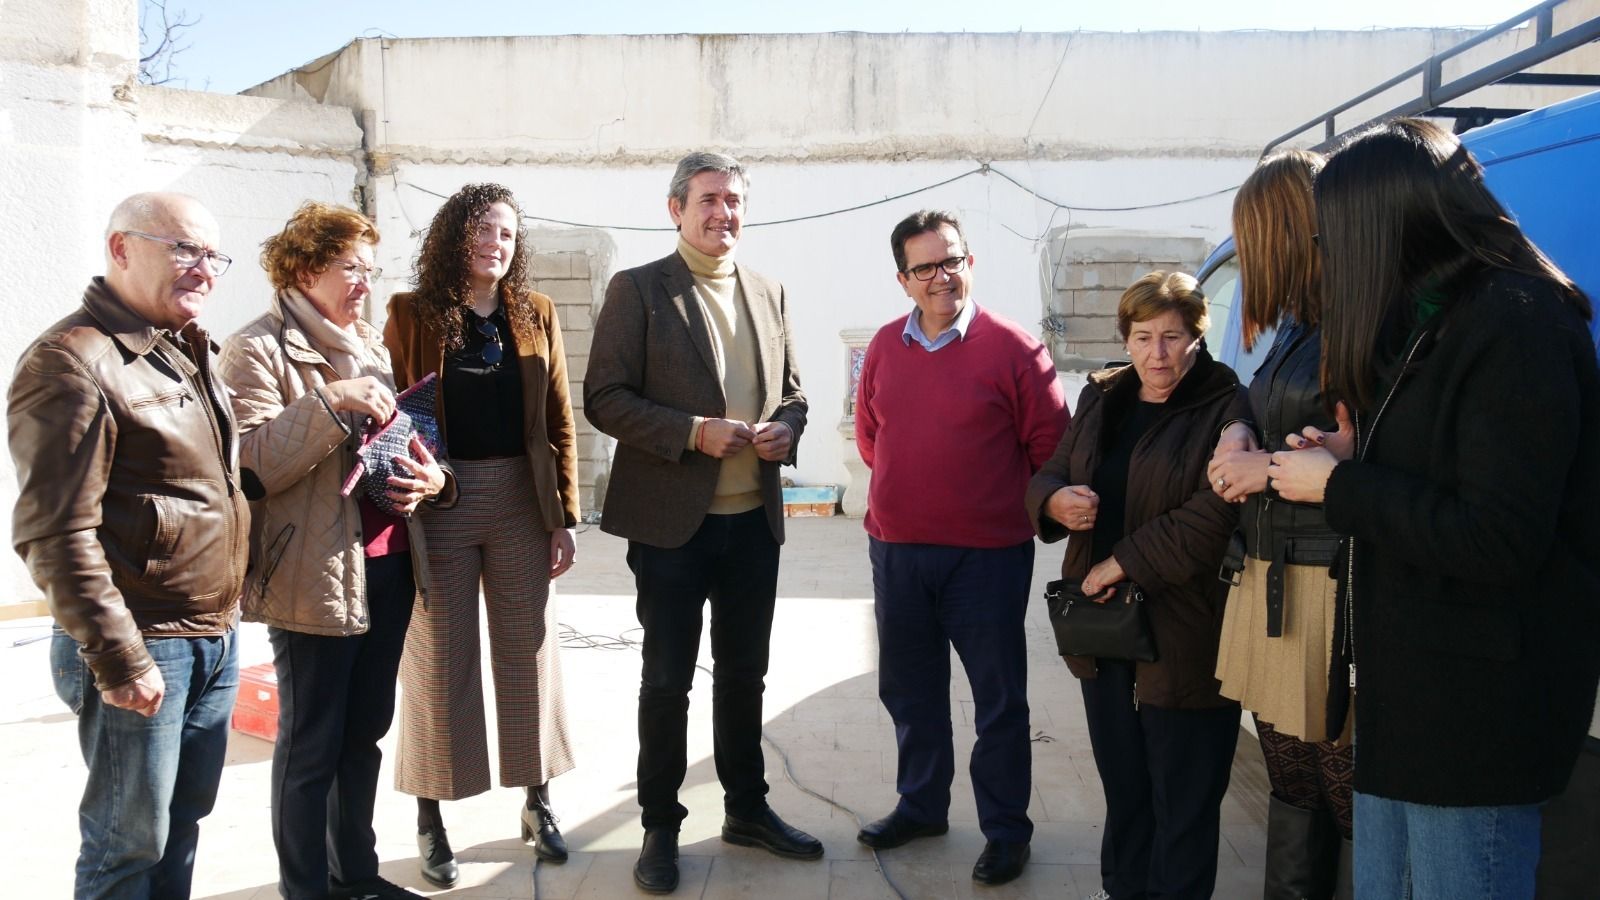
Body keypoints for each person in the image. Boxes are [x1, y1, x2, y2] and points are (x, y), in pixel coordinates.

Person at [1267, 117, 1600, 899]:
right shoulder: (1438, 317)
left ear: (1388, 223)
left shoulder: (1519, 323)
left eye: (1334, 232)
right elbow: (1449, 470)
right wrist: (1356, 457)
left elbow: (1497, 536)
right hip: (1409, 703)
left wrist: (1339, 487)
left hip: (1475, 717)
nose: (1328, 253)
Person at [584, 151, 814, 894]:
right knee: (667, 682)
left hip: (754, 524)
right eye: (709, 199)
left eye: (735, 199)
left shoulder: (769, 289)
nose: (724, 212)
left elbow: (793, 392)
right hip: (671, 527)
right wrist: (690, 432)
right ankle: (659, 824)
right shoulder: (638, 290)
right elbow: (604, 397)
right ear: (676, 207)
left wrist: (786, 428)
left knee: (745, 675)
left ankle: (747, 809)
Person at [10, 192, 249, 899]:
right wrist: (119, 660)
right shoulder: (72, 363)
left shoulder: (183, 349)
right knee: (127, 846)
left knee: (180, 827)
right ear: (120, 248)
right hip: (144, 644)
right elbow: (56, 532)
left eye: (212, 255)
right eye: (183, 249)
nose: (203, 269)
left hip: (211, 635)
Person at [219, 202, 449, 900]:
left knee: (364, 736)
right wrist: (330, 403)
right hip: (312, 577)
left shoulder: (370, 343)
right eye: (352, 267)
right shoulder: (255, 348)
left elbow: (403, 444)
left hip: (388, 566)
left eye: (371, 271)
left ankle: (356, 875)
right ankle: (306, 889)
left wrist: (432, 477)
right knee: (310, 747)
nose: (364, 284)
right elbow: (252, 464)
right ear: (305, 265)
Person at [852, 209, 1066, 886]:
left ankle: (1006, 830)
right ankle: (921, 807)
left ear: (969, 263)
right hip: (899, 554)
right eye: (926, 267)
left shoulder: (1015, 348)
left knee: (998, 701)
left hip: (988, 558)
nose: (943, 276)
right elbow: (870, 437)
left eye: (953, 260)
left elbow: (1050, 452)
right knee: (910, 692)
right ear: (904, 280)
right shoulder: (886, 346)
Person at [1025, 271, 1249, 900]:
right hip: (1102, 626)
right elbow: (1051, 470)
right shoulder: (1103, 398)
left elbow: (1215, 513)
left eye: (1174, 337)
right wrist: (1054, 501)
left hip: (1184, 627)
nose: (1158, 354)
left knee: (1182, 797)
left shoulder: (1226, 405)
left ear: (1197, 339)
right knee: (1124, 789)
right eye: (1144, 336)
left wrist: (1122, 561)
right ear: (1124, 339)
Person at [385, 183, 581, 887]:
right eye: (480, 232)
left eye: (505, 233)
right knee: (438, 659)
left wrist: (563, 517)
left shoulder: (536, 314)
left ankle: (538, 801)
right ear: (452, 241)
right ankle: (431, 819)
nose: (494, 244)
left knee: (528, 654)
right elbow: (396, 412)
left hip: (522, 504)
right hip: (439, 500)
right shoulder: (410, 314)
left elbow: (558, 419)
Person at [1205, 151, 1354, 899]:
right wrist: (1237, 432)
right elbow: (1263, 397)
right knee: (1296, 786)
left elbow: (1368, 444)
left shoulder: (1363, 314)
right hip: (1276, 576)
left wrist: (1264, 468)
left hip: (1326, 588)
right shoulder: (1304, 322)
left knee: (1345, 795)